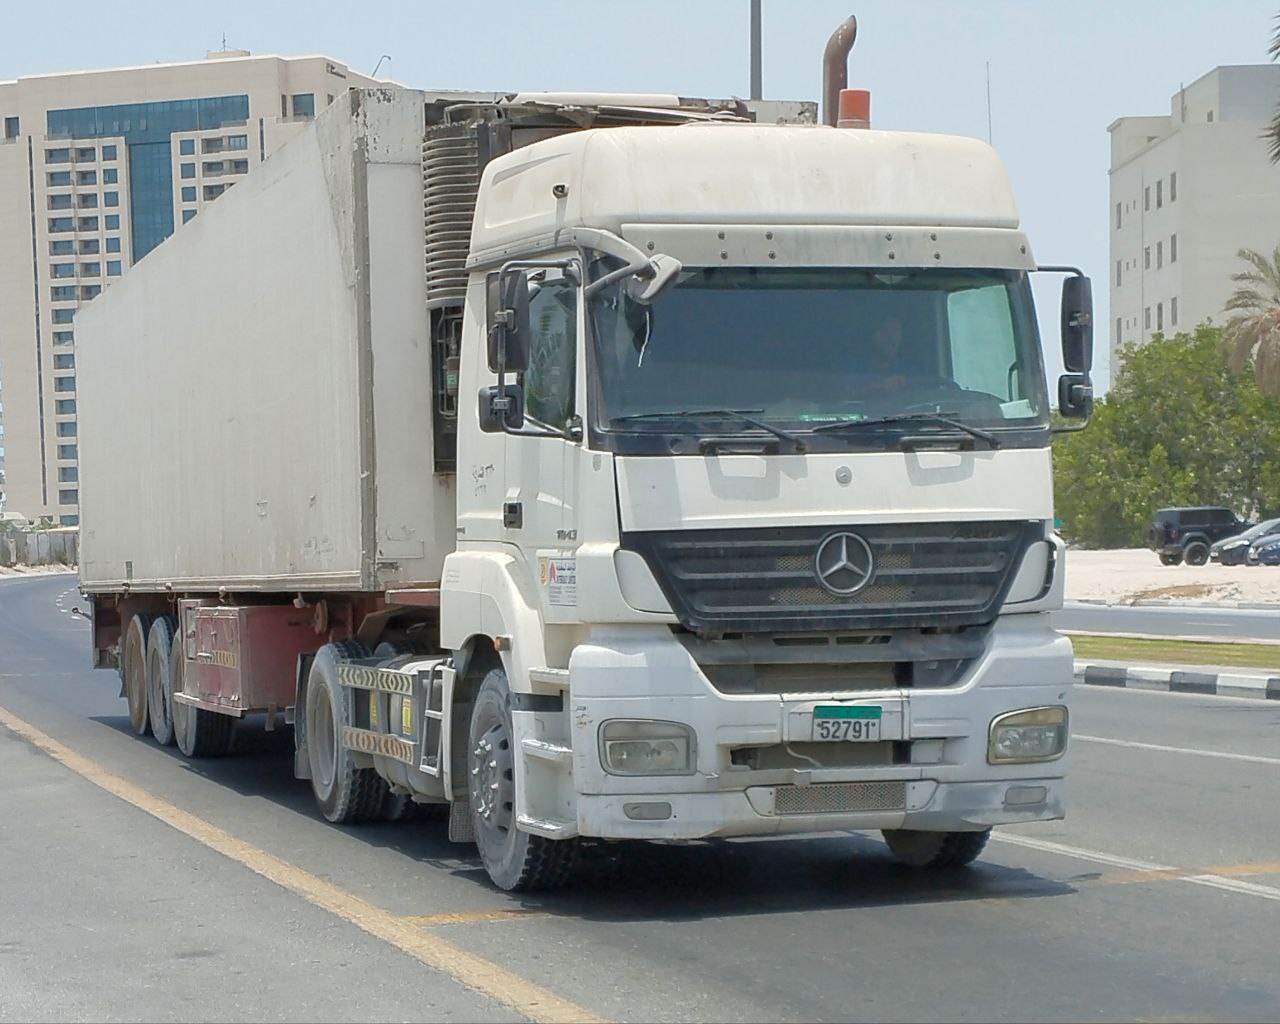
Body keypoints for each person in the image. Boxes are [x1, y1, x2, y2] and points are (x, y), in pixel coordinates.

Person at [858, 313, 909, 396]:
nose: (891, 336)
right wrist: (879, 387)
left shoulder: (911, 371)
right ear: (872, 335)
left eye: (895, 330)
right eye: (884, 330)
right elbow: (844, 395)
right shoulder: (855, 370)